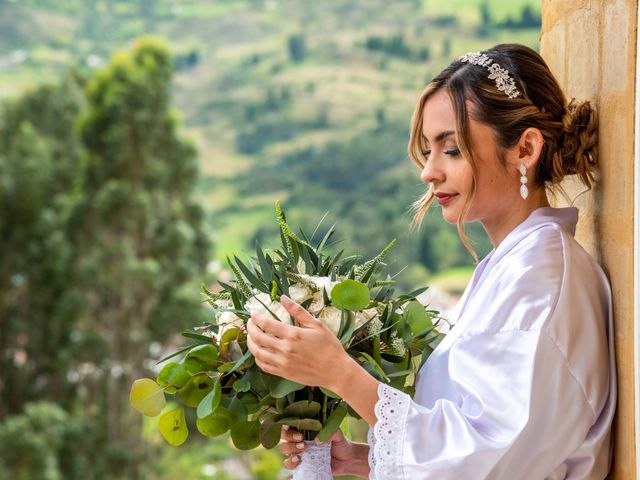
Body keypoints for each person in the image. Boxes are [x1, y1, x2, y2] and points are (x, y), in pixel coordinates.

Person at [246, 43, 616, 479]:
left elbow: (486, 460)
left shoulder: (541, 280)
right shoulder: (512, 267)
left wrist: (340, 374)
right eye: (427, 149)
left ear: (524, 150)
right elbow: (484, 438)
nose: (428, 171)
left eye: (452, 149)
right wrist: (369, 458)